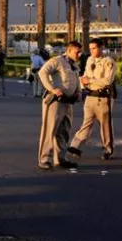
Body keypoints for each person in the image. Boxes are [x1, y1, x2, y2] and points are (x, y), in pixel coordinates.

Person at [66, 38, 117, 161]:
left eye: (94, 48)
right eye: (90, 49)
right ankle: (75, 146)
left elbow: (107, 81)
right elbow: (85, 76)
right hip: (90, 96)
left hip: (103, 98)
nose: (92, 51)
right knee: (86, 123)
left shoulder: (108, 62)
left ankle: (107, 149)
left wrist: (90, 81)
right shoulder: (89, 60)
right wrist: (83, 83)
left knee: (105, 126)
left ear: (101, 47)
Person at [37, 41, 83, 170]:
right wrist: (52, 89)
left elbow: (77, 80)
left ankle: (60, 158)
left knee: (64, 131)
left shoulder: (74, 65)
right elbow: (42, 73)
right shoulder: (57, 61)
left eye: (80, 51)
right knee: (49, 130)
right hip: (55, 101)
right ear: (68, 50)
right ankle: (44, 159)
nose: (79, 54)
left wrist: (79, 91)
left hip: (68, 102)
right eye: (76, 51)